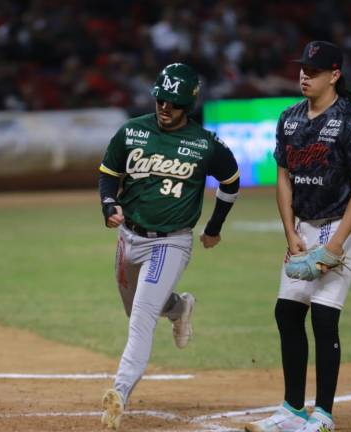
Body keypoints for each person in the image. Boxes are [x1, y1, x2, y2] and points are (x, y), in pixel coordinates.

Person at [97, 63, 240, 430]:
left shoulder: (205, 144)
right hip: (128, 237)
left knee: (141, 318)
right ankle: (179, 307)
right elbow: (109, 173)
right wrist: (108, 204)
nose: (164, 107)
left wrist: (214, 227)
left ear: (188, 105)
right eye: (160, 99)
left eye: (173, 103)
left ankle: (119, 393)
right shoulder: (132, 131)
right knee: (135, 308)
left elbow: (231, 180)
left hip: (170, 242)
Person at [246, 41, 351, 432]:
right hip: (303, 226)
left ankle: (323, 414)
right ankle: (291, 409)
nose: (305, 75)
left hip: (342, 225)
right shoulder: (289, 118)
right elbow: (283, 178)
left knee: (323, 315)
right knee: (287, 312)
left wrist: (335, 246)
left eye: (314, 70)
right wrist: (291, 234)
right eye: (303, 68)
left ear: (334, 75)